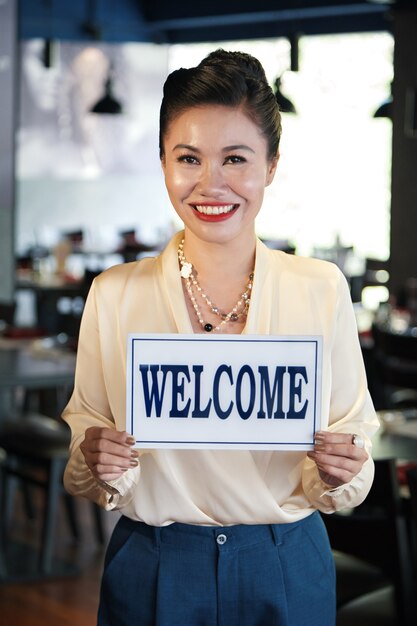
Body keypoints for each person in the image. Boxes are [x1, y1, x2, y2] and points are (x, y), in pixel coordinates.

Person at [62, 49, 379, 626]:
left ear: (271, 165)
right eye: (189, 158)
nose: (212, 184)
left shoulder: (320, 288)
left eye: (236, 158)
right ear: (163, 162)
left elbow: (354, 445)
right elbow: (85, 451)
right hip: (155, 561)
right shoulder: (114, 293)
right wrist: (97, 457)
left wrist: (344, 468)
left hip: (285, 560)